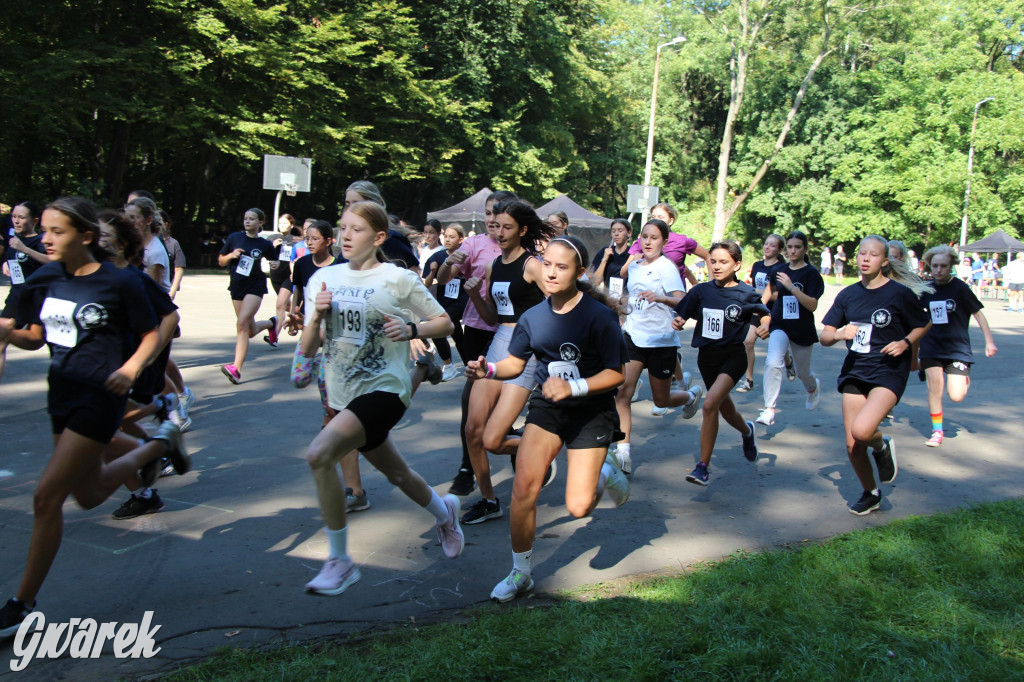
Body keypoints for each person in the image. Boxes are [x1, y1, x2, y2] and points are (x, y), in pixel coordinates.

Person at [0, 197, 190, 636]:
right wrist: (9, 331)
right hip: (61, 392)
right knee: (87, 494)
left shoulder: (119, 282)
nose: (45, 239)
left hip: (100, 396)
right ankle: (160, 445)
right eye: (43, 231)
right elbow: (34, 337)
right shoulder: (45, 276)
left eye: (57, 231)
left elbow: (152, 331)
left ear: (85, 236)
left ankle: (21, 603)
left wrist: (130, 368)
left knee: (46, 497)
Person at [298, 200, 463, 596]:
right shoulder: (324, 280)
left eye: (356, 229)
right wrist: (317, 318)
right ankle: (446, 514)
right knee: (398, 473)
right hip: (342, 394)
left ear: (379, 237)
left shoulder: (395, 278)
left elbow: (445, 322)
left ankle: (340, 561)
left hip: (385, 388)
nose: (346, 236)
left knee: (319, 454)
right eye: (343, 227)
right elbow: (307, 348)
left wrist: (410, 330)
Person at [466, 236, 630, 602]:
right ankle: (520, 573)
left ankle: (606, 471)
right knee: (524, 488)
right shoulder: (533, 316)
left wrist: (575, 388)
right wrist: (488, 368)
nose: (552, 273)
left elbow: (616, 373)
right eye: (548, 264)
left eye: (562, 267)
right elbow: (514, 364)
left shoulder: (598, 316)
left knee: (579, 507)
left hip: (591, 411)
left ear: (579, 272)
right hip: (547, 409)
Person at [459, 199, 557, 525]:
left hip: (525, 350)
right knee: (473, 430)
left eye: (507, 227)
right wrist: (473, 295)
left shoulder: (533, 265)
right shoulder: (491, 266)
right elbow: (491, 317)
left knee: (494, 440)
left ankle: (538, 445)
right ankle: (489, 500)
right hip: (498, 341)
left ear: (523, 230)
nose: (499, 232)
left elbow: (558, 306)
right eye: (496, 225)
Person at [820, 235, 932, 515]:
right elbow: (823, 336)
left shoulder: (898, 293)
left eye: (872, 255)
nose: (865, 259)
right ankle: (871, 493)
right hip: (856, 371)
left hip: (888, 370)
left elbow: (923, 323)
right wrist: (839, 334)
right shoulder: (847, 294)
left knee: (862, 431)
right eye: (861, 254)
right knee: (851, 444)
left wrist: (905, 343)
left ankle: (881, 446)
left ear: (884, 261)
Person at [434, 190, 518, 496]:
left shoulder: (523, 247)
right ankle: (467, 469)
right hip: (478, 330)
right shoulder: (473, 243)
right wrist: (449, 260)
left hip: (509, 332)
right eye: (487, 213)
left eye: (498, 212)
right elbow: (444, 279)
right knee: (472, 401)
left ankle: (512, 443)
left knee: (498, 399)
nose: (492, 219)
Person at [672, 241, 768, 486]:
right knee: (725, 410)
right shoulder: (701, 291)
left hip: (733, 357)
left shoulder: (745, 293)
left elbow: (763, 312)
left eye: (723, 262)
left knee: (710, 404)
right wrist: (679, 320)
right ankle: (747, 431)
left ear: (737, 265)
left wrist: (765, 323)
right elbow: (683, 311)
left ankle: (702, 467)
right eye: (713, 261)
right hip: (707, 359)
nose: (716, 266)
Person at [612, 218, 703, 475]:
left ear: (664, 242)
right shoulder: (636, 267)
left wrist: (660, 297)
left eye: (654, 237)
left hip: (661, 341)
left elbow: (683, 301)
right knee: (623, 393)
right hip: (634, 337)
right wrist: (622, 306)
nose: (648, 241)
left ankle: (689, 396)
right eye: (644, 236)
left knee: (661, 399)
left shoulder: (667, 267)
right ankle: (623, 451)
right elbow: (632, 297)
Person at [917, 245, 997, 447]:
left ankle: (963, 379)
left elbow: (978, 314)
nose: (938, 270)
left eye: (943, 266)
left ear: (951, 266)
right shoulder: (926, 289)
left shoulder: (960, 288)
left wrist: (989, 341)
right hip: (932, 345)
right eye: (934, 266)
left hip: (956, 348)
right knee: (935, 388)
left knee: (956, 396)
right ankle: (937, 431)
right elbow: (914, 316)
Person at [754, 231, 824, 426]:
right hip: (780, 323)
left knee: (803, 372)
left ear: (805, 249)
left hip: (801, 327)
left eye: (798, 247)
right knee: (773, 361)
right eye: (790, 247)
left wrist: (792, 287)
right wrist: (758, 312)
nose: (793, 251)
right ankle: (769, 408)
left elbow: (812, 305)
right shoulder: (780, 270)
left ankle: (812, 387)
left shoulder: (811, 274)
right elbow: (769, 292)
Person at [217, 207, 280, 383]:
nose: (247, 221)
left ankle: (236, 369)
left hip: (255, 285)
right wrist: (231, 255)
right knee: (249, 330)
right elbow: (221, 261)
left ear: (260, 223)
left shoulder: (264, 244)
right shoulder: (234, 238)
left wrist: (274, 265)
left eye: (252, 219)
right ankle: (271, 323)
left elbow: (273, 260)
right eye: (245, 218)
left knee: (242, 323)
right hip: (237, 285)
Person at [1, 201, 48, 382]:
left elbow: (52, 261)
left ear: (34, 220)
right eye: (14, 216)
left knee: (37, 339)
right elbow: (16, 263)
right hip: (16, 297)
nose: (16, 221)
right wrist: (6, 263)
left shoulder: (39, 241)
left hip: (37, 299)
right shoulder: (13, 239)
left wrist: (25, 249)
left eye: (21, 217)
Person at [738, 234, 786, 393]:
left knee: (778, 343)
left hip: (774, 311)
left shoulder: (780, 268)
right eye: (766, 244)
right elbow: (753, 287)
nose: (767, 247)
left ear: (780, 250)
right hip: (758, 309)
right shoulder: (757, 265)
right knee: (748, 341)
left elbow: (780, 294)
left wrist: (760, 293)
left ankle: (789, 360)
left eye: (772, 245)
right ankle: (749, 379)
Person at [422, 223, 468, 382]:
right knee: (458, 335)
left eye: (452, 237)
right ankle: (468, 364)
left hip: (462, 301)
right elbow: (426, 284)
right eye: (446, 236)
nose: (447, 240)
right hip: (443, 301)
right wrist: (433, 272)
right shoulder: (437, 257)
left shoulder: (466, 255)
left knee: (437, 326)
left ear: (460, 239)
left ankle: (448, 365)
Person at [266, 213, 306, 346]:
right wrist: (273, 246)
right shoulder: (273, 238)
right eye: (280, 223)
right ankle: (296, 320)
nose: (282, 226)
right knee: (287, 305)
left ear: (292, 225)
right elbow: (265, 253)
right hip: (275, 275)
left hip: (288, 276)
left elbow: (302, 247)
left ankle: (274, 335)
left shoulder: (296, 240)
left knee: (280, 304)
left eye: (285, 223)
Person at [125, 197, 171, 293]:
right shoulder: (130, 246)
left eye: (133, 218)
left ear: (148, 221)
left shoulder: (155, 252)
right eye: (126, 218)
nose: (127, 222)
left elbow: (151, 292)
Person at [590, 218, 631, 298]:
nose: (616, 234)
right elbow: (595, 282)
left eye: (620, 231)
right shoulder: (605, 251)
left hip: (627, 299)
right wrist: (604, 260)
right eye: (613, 231)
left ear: (629, 233)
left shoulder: (632, 254)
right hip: (609, 298)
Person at [159, 210, 186, 300]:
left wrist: (172, 291)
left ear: (166, 224)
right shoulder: (147, 243)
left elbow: (179, 269)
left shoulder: (173, 244)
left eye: (159, 221)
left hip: (165, 290)